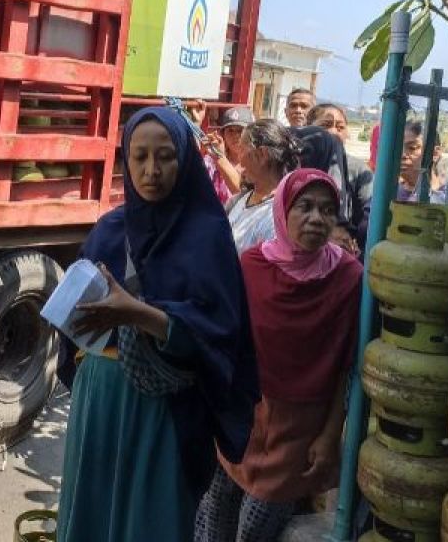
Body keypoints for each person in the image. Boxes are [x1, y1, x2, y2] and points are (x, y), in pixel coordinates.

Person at [57, 107, 259, 542]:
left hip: (164, 412)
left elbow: (220, 335)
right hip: (100, 400)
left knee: (150, 522)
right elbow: (74, 315)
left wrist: (138, 314)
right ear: (125, 162)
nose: (152, 170)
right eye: (139, 156)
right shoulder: (109, 230)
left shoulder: (206, 236)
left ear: (185, 158)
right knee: (92, 515)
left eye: (165, 156)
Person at [196, 169, 363, 542]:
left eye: (327, 210)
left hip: (301, 427)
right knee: (216, 511)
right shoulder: (253, 266)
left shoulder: (348, 277)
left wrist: (329, 434)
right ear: (283, 211)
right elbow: (228, 341)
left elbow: (346, 366)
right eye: (304, 207)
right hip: (246, 411)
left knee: (256, 528)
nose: (316, 219)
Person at [227, 120, 300, 252]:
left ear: (262, 154)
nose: (239, 157)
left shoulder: (278, 215)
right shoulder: (243, 199)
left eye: (242, 149)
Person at [305, 103, 372, 246]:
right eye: (326, 125)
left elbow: (368, 212)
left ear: (346, 133)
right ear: (308, 128)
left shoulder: (359, 168)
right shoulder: (298, 164)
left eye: (340, 127)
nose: (334, 132)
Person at [202, 106, 252, 204]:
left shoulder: (257, 164)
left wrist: (220, 158)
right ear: (223, 134)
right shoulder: (211, 162)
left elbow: (244, 195)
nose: (235, 136)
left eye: (240, 130)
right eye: (230, 130)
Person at [398, 121, 448, 205]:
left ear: (435, 153)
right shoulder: (384, 195)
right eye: (397, 148)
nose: (402, 155)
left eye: (412, 148)